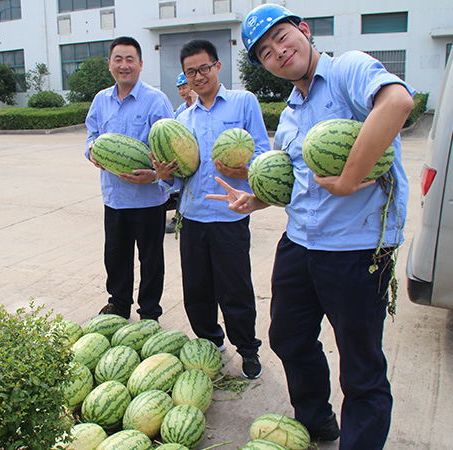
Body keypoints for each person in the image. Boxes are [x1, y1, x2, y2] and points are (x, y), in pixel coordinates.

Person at [208, 4, 415, 448]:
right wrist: (256, 199)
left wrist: (350, 178)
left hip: (357, 247)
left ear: (303, 30)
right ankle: (317, 421)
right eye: (265, 52)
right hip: (300, 243)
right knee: (288, 337)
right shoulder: (291, 113)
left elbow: (397, 102)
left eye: (282, 38)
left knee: (360, 366)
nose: (278, 52)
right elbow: (297, 184)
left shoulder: (347, 71)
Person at [153, 39, 271, 379]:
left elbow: (263, 154)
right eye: (191, 72)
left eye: (204, 68)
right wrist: (164, 175)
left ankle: (247, 348)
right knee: (197, 290)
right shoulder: (181, 119)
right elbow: (179, 176)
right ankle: (210, 342)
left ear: (217, 66)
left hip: (230, 215)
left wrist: (244, 171)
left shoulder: (243, 102)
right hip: (191, 217)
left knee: (235, 288)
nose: (198, 76)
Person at [85, 36, 175, 321]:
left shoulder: (156, 100)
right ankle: (119, 304)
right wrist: (92, 152)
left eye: (130, 59)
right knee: (115, 256)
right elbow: (92, 136)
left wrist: (154, 176)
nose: (124, 65)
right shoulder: (101, 100)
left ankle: (149, 312)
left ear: (140, 64)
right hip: (114, 198)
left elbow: (170, 147)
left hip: (149, 199)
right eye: (118, 59)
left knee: (151, 260)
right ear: (110, 64)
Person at [165, 72, 197, 234]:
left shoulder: (199, 105)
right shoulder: (181, 110)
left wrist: (195, 103)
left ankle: (180, 216)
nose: (182, 91)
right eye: (179, 88)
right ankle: (179, 215)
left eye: (185, 87)